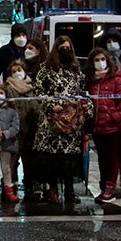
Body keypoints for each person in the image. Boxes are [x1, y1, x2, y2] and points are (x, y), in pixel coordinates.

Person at [34, 36, 93, 209]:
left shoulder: (76, 70)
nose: (65, 51)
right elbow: (38, 92)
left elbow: (83, 91)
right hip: (51, 122)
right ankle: (52, 189)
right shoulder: (45, 69)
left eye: (68, 48)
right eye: (62, 48)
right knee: (51, 159)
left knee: (70, 160)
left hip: (71, 123)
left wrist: (86, 106)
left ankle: (69, 190)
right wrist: (52, 105)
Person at [85, 47, 121, 201]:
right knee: (102, 158)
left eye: (102, 59)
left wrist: (114, 116)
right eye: (96, 60)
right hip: (97, 127)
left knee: (112, 157)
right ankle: (104, 186)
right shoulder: (91, 81)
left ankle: (110, 187)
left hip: (112, 127)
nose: (100, 63)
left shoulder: (116, 79)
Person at [3, 60, 37, 197]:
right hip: (13, 131)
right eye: (14, 71)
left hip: (30, 129)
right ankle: (10, 184)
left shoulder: (32, 88)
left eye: (20, 70)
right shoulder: (6, 88)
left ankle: (29, 183)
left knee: (29, 159)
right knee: (12, 159)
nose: (17, 73)